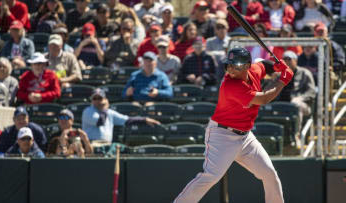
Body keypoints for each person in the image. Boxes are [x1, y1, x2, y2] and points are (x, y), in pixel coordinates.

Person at [173, 47, 293, 203]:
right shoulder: (230, 85)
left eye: (235, 64)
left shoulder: (253, 70)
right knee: (211, 177)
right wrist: (283, 80)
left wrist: (276, 66)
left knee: (269, 173)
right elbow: (263, 99)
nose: (230, 68)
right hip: (222, 135)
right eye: (229, 64)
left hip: (245, 137)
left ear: (247, 66)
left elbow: (263, 64)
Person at [82, 88, 161, 141]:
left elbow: (127, 120)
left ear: (105, 99)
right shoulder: (88, 111)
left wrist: (145, 120)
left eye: (99, 98)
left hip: (106, 144)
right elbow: (100, 122)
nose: (97, 101)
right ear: (91, 100)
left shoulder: (108, 112)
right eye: (94, 98)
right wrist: (105, 108)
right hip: (92, 144)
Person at [279, 51, 316, 144]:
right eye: (285, 59)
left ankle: (297, 135)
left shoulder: (305, 72)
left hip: (304, 106)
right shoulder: (279, 75)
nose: (286, 61)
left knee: (295, 104)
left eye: (289, 59)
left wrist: (300, 98)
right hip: (282, 105)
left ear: (295, 60)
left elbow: (312, 92)